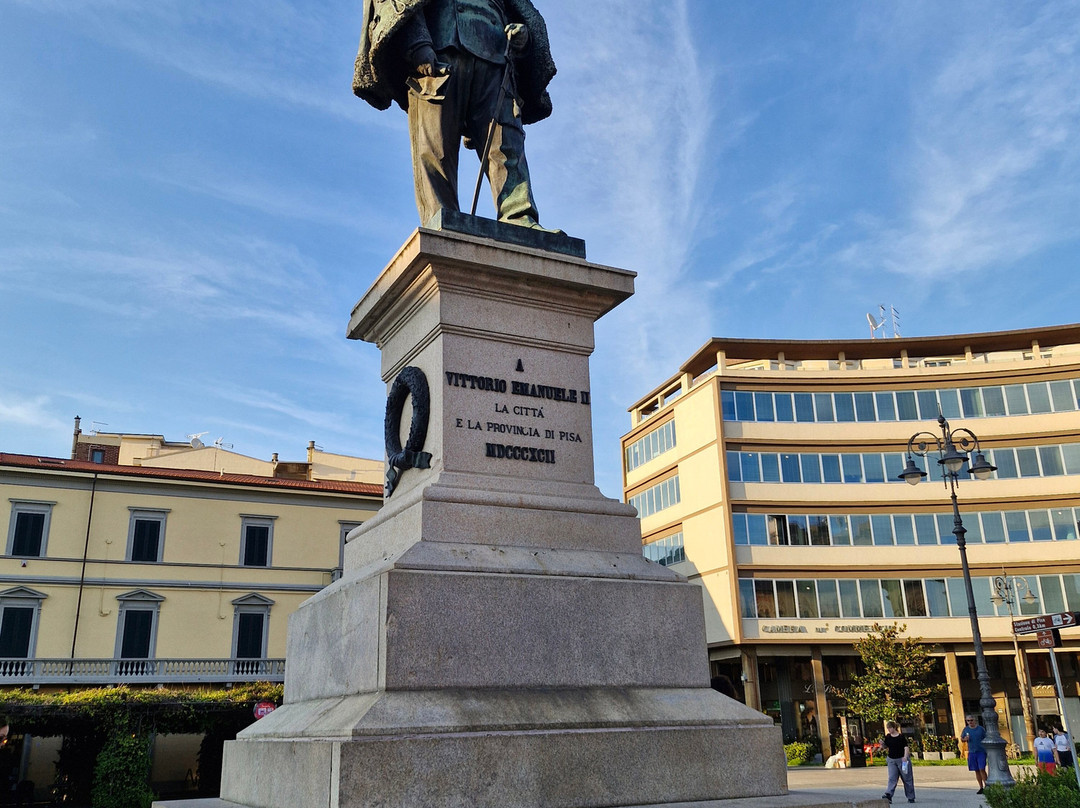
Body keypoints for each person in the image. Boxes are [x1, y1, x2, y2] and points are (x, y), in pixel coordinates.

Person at [353, 0, 556, 229]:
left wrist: (524, 38)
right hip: (438, 49)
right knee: (435, 146)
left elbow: (514, 10)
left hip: (495, 55)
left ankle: (519, 216)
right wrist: (416, 43)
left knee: (507, 141)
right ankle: (441, 216)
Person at [881, 721, 915, 803]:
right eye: (888, 728)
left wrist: (905, 757)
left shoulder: (901, 737)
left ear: (894, 728)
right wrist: (882, 744)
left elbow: (906, 747)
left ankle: (911, 797)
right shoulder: (888, 737)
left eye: (890, 728)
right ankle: (888, 794)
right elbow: (886, 747)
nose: (889, 730)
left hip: (902, 759)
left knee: (907, 779)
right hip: (892, 760)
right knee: (892, 778)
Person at [960, 714, 988, 794]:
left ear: (975, 720)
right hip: (972, 752)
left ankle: (987, 786)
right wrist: (964, 739)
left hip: (981, 751)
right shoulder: (966, 730)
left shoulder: (980, 729)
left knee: (982, 768)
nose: (970, 722)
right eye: (968, 721)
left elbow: (986, 737)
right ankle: (981, 787)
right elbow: (962, 739)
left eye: (971, 720)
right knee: (976, 770)